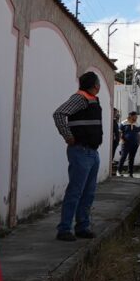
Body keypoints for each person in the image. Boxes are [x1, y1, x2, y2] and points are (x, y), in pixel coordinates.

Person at [52, 72, 104, 242]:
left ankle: (82, 226)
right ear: (95, 85)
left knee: (88, 192)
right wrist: (67, 135)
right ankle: (64, 229)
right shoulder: (80, 98)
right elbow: (59, 113)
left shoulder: (91, 99)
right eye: (98, 83)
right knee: (75, 191)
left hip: (92, 152)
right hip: (81, 151)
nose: (99, 86)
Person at [117, 111, 140, 176]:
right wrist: (122, 140)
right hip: (125, 143)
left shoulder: (137, 124)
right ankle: (119, 171)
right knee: (123, 157)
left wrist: (138, 142)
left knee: (131, 158)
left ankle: (130, 173)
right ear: (131, 116)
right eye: (135, 116)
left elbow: (138, 134)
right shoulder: (123, 123)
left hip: (134, 144)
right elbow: (120, 133)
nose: (136, 117)